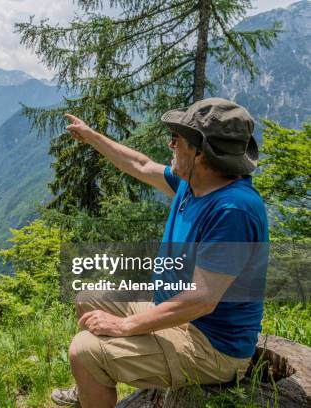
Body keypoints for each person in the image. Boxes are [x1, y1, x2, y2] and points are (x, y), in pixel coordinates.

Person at [51, 98, 269, 408]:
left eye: (177, 139)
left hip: (212, 346)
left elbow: (201, 300)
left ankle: (93, 373)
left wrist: (123, 326)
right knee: (90, 297)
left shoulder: (232, 210)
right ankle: (91, 390)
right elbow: (140, 165)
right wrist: (91, 136)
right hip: (176, 313)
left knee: (83, 351)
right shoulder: (193, 183)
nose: (171, 144)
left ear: (200, 153)